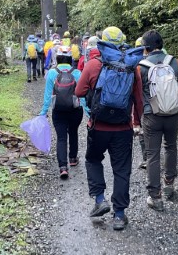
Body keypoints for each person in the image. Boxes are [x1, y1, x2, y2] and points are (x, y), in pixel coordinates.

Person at [75, 26, 143, 231]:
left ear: (102, 42)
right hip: (123, 128)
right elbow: (139, 99)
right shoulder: (132, 66)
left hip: (98, 127)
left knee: (93, 160)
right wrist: (138, 122)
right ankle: (120, 215)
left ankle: (100, 199)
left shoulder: (94, 64)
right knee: (122, 169)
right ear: (123, 42)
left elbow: (79, 91)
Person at [138, 30, 178, 211]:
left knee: (152, 153)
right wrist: (172, 98)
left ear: (146, 48)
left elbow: (136, 93)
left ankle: (155, 196)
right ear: (161, 44)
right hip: (173, 114)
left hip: (151, 115)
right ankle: (169, 184)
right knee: (171, 146)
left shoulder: (141, 66)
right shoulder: (175, 62)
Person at [39, 45, 84, 179]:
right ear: (71, 58)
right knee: (74, 132)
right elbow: (82, 96)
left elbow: (47, 96)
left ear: (57, 58)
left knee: (61, 137)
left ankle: (63, 167)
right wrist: (88, 112)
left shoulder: (52, 73)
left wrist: (43, 112)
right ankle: (73, 159)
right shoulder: (77, 73)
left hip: (58, 111)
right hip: (75, 110)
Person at [134, 37, 147, 169]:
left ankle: (146, 158)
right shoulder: (164, 58)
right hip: (161, 101)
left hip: (143, 102)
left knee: (143, 130)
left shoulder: (136, 64)